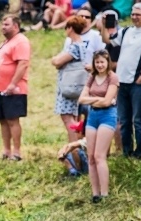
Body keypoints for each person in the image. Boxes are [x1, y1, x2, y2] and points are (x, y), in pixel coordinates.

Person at [101, 2, 141, 159]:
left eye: (138, 14)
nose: (134, 17)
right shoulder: (126, 31)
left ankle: (140, 152)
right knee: (124, 119)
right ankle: (127, 151)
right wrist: (103, 25)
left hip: (137, 82)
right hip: (122, 81)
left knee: (138, 119)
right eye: (133, 14)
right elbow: (108, 40)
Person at [0, 15, 30, 161]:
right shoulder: (7, 42)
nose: (3, 27)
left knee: (12, 120)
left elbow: (23, 64)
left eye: (6, 24)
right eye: (2, 24)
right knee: (3, 120)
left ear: (16, 26)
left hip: (13, 88)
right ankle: (6, 150)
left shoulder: (21, 41)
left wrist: (13, 83)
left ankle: (16, 152)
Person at [78, 49, 119, 203]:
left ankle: (105, 193)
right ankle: (95, 193)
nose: (100, 65)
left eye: (102, 62)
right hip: (93, 115)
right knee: (91, 157)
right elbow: (81, 99)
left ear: (107, 62)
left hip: (107, 115)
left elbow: (108, 101)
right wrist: (97, 99)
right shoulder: (92, 77)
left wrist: (92, 98)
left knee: (99, 155)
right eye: (97, 62)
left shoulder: (112, 77)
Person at [51, 15, 87, 143]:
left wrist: (54, 59)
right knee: (73, 116)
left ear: (70, 28)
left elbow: (58, 61)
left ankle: (74, 146)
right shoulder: (82, 44)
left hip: (68, 86)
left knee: (67, 118)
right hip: (77, 86)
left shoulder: (74, 47)